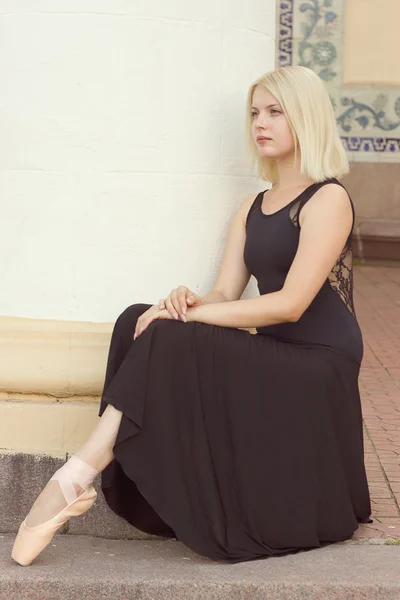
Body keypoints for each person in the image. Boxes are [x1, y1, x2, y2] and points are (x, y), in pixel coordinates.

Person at [11, 65, 372, 567]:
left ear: (305, 118)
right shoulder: (252, 205)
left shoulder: (328, 198)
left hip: (319, 364)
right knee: (136, 319)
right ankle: (86, 480)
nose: (259, 124)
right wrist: (184, 303)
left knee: (169, 336)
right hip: (276, 351)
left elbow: (291, 303)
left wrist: (191, 322)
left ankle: (71, 479)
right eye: (254, 113)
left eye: (274, 112)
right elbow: (226, 289)